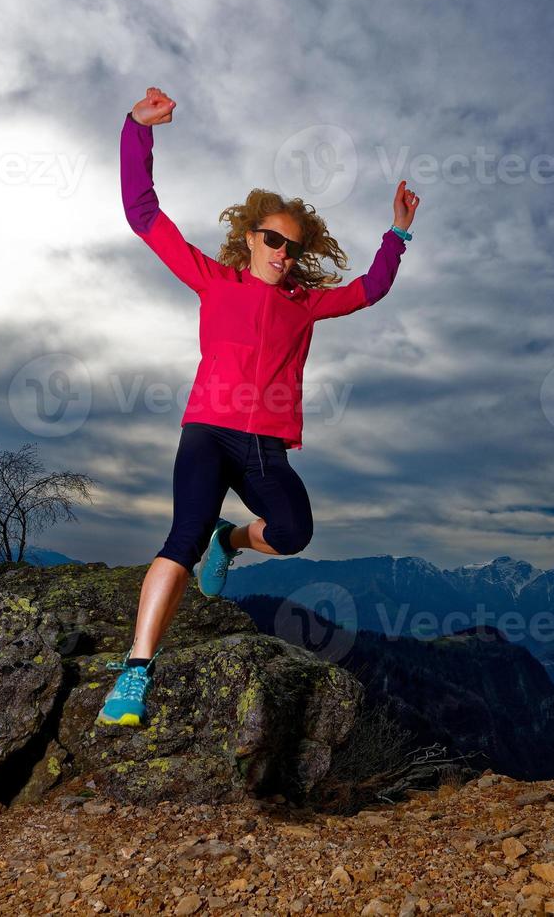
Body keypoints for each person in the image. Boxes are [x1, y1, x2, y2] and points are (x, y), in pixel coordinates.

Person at [96, 86, 422, 727]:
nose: (283, 252)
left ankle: (232, 538)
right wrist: (137, 128)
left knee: (294, 533)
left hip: (263, 449)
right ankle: (136, 672)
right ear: (250, 237)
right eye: (273, 238)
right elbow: (142, 212)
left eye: (293, 247)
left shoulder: (306, 304)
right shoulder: (212, 280)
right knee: (181, 540)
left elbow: (371, 289)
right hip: (207, 435)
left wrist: (398, 233)